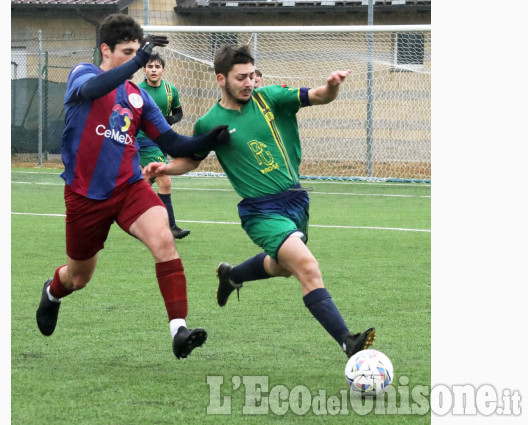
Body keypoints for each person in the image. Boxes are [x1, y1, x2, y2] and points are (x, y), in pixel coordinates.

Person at [144, 44, 375, 359]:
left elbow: (320, 95)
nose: (249, 82)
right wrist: (166, 168)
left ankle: (233, 275)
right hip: (260, 211)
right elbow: (192, 160)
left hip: (295, 200)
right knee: (307, 267)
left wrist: (332, 86)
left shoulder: (271, 97)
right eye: (241, 77)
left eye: (252, 75)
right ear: (220, 79)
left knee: (281, 268)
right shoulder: (209, 122)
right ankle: (347, 341)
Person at [35, 14, 230, 360]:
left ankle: (179, 330)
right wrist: (139, 59)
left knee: (164, 240)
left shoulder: (139, 97)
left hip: (129, 188)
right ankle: (51, 294)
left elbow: (171, 139)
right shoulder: (84, 74)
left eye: (137, 52)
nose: (135, 60)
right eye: (127, 52)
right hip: (84, 196)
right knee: (78, 278)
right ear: (105, 50)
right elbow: (96, 90)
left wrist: (208, 140)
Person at [138, 54, 190, 239]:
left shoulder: (170, 90)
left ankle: (136, 220)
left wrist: (169, 120)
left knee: (144, 182)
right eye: (150, 66)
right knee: (165, 180)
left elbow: (179, 113)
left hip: (161, 140)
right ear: (144, 70)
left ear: (163, 70)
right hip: (143, 139)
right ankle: (171, 227)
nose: (153, 69)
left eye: (157, 66)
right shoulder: (137, 90)